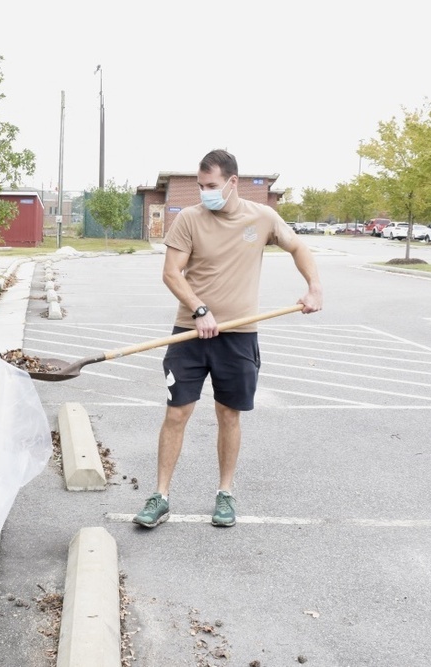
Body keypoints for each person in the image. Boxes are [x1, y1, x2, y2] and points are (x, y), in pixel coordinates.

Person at [133, 149, 323, 529]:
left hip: (238, 336)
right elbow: (172, 273)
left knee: (228, 415)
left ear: (233, 182)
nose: (205, 193)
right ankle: (161, 495)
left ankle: (224, 494)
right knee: (176, 414)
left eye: (212, 186)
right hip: (190, 332)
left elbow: (298, 246)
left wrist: (314, 287)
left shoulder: (263, 217)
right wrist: (200, 310)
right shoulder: (188, 219)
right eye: (201, 186)